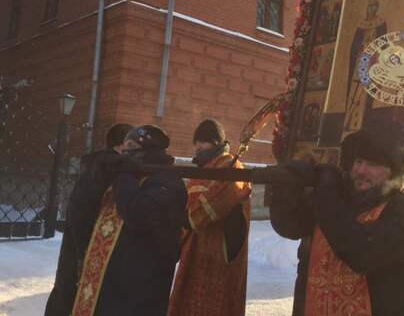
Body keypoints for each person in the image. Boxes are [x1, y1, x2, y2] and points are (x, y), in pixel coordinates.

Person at [270, 122, 404, 316]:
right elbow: (290, 226)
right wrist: (287, 186)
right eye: (359, 161)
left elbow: (361, 253)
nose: (361, 170)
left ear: (393, 171)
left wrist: (327, 190)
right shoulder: (342, 198)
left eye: (373, 164)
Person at [70, 125, 187, 316]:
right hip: (109, 281)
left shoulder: (168, 180)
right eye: (123, 146)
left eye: (130, 146)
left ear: (147, 150)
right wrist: (96, 179)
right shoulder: (128, 174)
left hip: (141, 286)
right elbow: (81, 213)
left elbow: (137, 216)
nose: (124, 152)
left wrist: (125, 175)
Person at [45, 123, 133, 316]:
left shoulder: (98, 166)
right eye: (132, 147)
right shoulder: (107, 170)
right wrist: (86, 252)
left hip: (77, 248)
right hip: (85, 248)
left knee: (66, 293)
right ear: (122, 146)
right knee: (73, 296)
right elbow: (85, 214)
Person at [168, 119, 251, 316]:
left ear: (215, 143)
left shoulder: (232, 166)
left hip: (218, 248)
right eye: (196, 143)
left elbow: (217, 201)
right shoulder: (203, 169)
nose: (197, 148)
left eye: (202, 143)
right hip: (194, 247)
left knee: (214, 304)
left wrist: (188, 218)